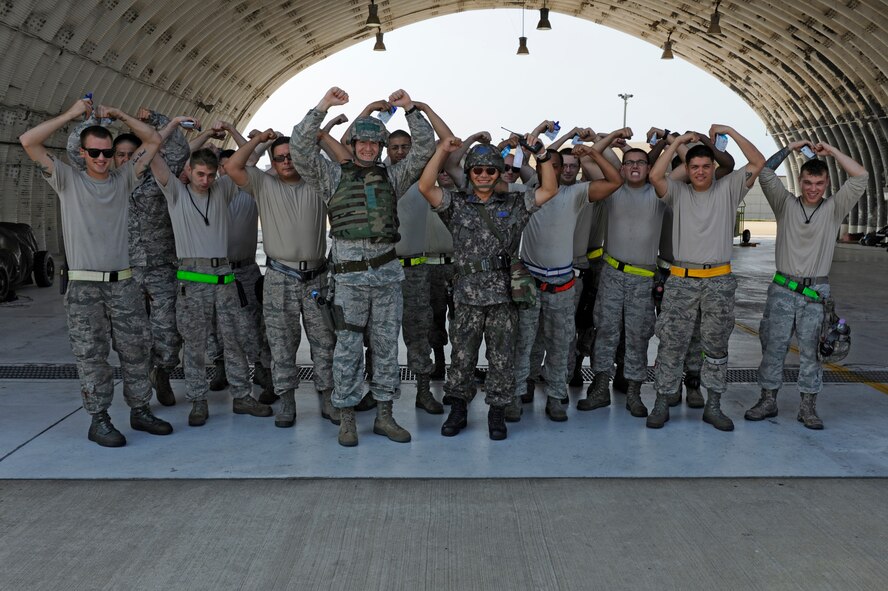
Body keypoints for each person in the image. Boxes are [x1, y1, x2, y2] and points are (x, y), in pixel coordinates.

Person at [20, 98, 172, 447]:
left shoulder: (124, 179)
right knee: (92, 355)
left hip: (124, 282)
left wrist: (120, 114)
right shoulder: (67, 180)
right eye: (94, 153)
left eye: (107, 152)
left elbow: (152, 141)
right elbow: (29, 141)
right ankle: (99, 418)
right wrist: (73, 115)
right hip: (84, 286)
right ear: (83, 153)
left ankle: (140, 409)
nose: (102, 159)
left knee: (136, 350)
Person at [290, 87, 435, 447]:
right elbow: (300, 149)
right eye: (362, 143)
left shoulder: (393, 176)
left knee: (387, 347)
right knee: (348, 348)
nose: (369, 149)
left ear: (381, 148)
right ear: (352, 144)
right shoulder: (331, 177)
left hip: (387, 279)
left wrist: (411, 110)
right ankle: (347, 417)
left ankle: (385, 415)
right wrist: (322, 106)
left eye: (375, 144)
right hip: (349, 281)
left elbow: (423, 150)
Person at [418, 136, 558, 440]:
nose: (483, 175)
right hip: (467, 296)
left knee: (502, 358)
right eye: (477, 170)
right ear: (469, 173)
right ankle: (458, 408)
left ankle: (497, 411)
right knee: (462, 358)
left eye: (490, 171)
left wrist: (542, 155)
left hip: (503, 298)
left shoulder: (515, 204)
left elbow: (549, 189)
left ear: (498, 174)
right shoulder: (456, 205)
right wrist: (442, 151)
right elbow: (426, 188)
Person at [65, 109, 188, 407]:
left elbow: (177, 149)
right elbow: (74, 148)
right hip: (126, 274)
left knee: (168, 334)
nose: (122, 158)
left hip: (160, 268)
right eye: (118, 154)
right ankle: (143, 390)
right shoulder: (106, 182)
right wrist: (95, 121)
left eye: (129, 153)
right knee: (134, 339)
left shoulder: (157, 179)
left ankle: (164, 371)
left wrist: (157, 118)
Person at [151, 131, 273, 427]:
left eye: (209, 175)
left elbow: (246, 161)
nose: (205, 181)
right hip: (192, 281)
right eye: (199, 174)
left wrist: (256, 140)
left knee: (235, 341)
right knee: (195, 345)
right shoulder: (176, 193)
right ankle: (197, 400)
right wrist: (174, 126)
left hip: (225, 278)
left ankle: (242, 396)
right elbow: (153, 153)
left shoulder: (223, 189)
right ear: (188, 171)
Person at [648, 126, 765, 430]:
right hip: (682, 278)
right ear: (687, 169)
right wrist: (676, 144)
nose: (700, 172)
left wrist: (730, 131)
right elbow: (655, 177)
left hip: (718, 281)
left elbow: (758, 162)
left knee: (715, 347)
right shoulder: (678, 192)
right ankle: (662, 401)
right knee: (671, 344)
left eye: (706, 166)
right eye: (694, 167)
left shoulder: (729, 189)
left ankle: (713, 405)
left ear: (714, 168)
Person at [745, 141, 867, 429]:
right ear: (799, 181)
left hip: (816, 293)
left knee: (813, 351)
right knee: (774, 347)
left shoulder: (834, 209)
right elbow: (765, 172)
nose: (813, 188)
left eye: (819, 183)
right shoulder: (784, 203)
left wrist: (833, 153)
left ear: (826, 183)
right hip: (783, 289)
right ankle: (768, 400)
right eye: (808, 182)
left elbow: (861, 176)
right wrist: (791, 146)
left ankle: (808, 407)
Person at [225, 130, 337, 429]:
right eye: (280, 158)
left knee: (325, 342)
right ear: (272, 163)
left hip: (316, 278)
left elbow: (344, 163)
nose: (286, 162)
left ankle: (327, 396)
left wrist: (322, 137)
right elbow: (232, 167)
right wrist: (258, 140)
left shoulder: (319, 183)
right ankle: (287, 400)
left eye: (291, 156)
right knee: (281, 344)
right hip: (280, 278)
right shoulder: (263, 184)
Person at [509, 137, 624, 423]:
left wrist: (594, 154)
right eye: (547, 164)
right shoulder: (524, 194)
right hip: (531, 283)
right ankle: (519, 390)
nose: (553, 169)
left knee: (560, 343)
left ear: (560, 171)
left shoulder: (574, 195)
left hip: (562, 285)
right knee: (525, 342)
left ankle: (556, 396)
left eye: (557, 166)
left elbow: (614, 181)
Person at [578, 143, 667, 418]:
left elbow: (682, 170)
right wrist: (601, 143)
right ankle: (600, 389)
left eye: (641, 162)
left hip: (642, 278)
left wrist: (669, 142)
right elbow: (588, 165)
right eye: (629, 162)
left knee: (638, 336)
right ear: (621, 167)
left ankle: (634, 393)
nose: (635, 166)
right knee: (605, 331)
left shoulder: (660, 193)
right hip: (612, 274)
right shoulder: (612, 192)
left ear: (649, 167)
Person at [387, 102, 454, 414]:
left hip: (416, 270)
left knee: (419, 333)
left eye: (405, 147)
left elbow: (445, 142)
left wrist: (418, 109)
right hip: (383, 269)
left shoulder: (422, 180)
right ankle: (378, 395)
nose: (400, 152)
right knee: (379, 335)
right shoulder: (378, 178)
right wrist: (371, 112)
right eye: (395, 147)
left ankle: (424, 391)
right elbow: (347, 148)